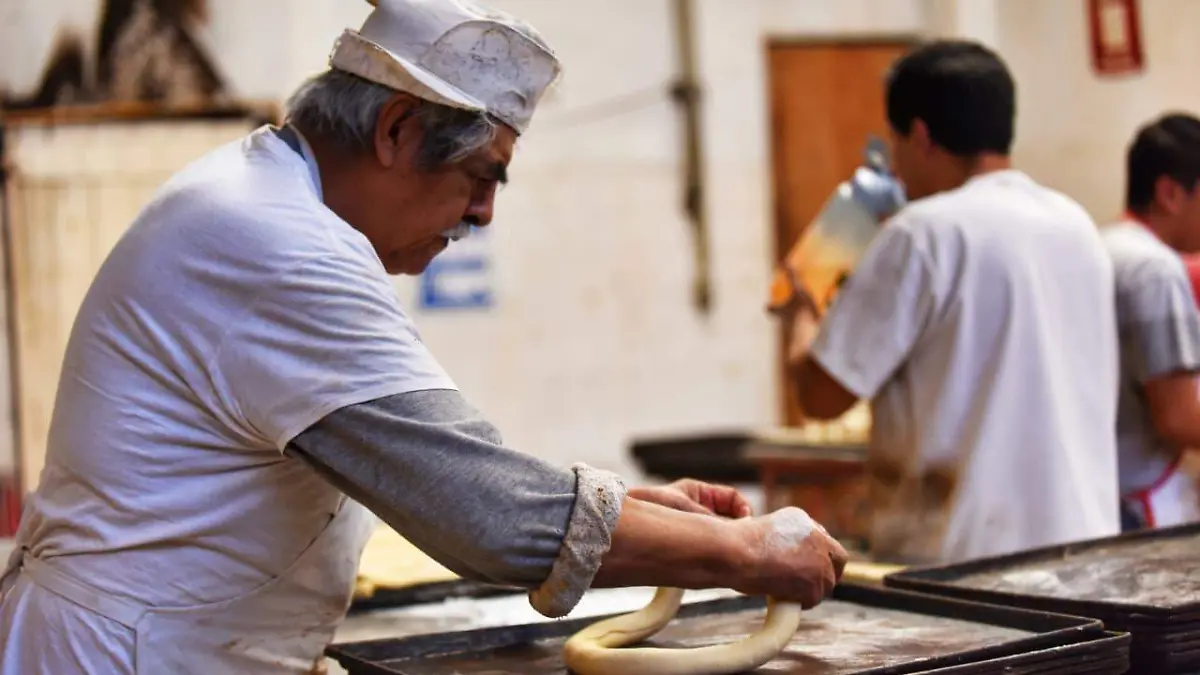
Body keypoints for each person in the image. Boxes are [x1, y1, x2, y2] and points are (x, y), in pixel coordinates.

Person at [0, 1, 848, 672]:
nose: (484, 213)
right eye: (481, 176)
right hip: (127, 653)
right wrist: (745, 551)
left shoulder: (265, 202)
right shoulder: (274, 242)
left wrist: (637, 515)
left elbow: (440, 464)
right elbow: (482, 509)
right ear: (398, 131)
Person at [779, 40, 1122, 565]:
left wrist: (800, 310)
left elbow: (821, 395)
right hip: (1084, 547)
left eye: (895, 143)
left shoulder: (922, 233)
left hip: (966, 563)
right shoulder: (1074, 223)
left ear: (919, 135)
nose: (896, 168)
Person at [1101, 113, 1200, 531]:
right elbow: (1178, 418)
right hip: (1140, 502)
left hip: (1107, 488)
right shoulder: (1154, 270)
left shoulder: (1103, 245)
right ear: (1170, 193)